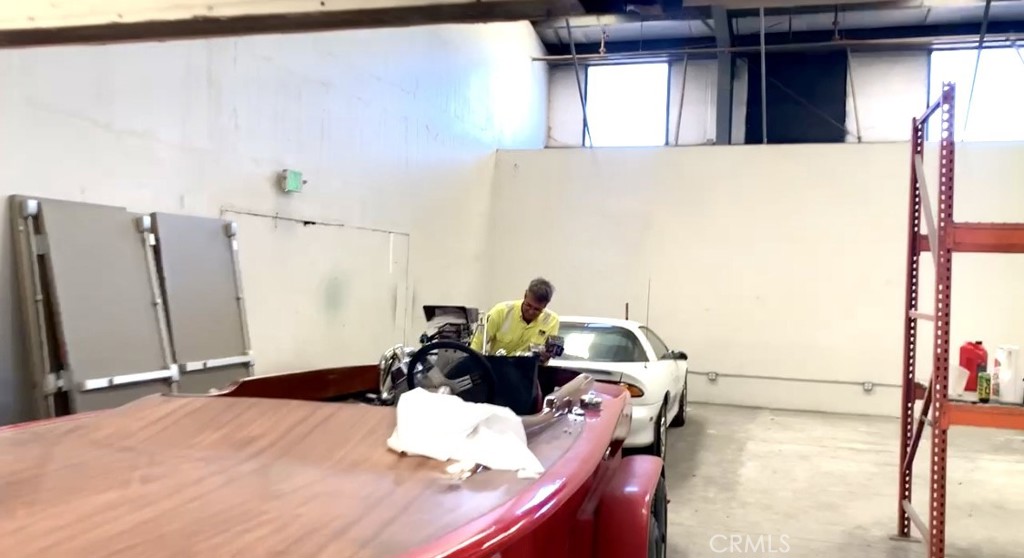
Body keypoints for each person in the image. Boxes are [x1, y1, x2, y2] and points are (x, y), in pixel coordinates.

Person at [470, 277, 560, 364]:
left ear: (545, 305)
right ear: (525, 295)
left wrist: (546, 356)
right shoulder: (500, 312)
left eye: (537, 309)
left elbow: (548, 354)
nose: (531, 311)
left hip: (529, 371)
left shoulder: (551, 321)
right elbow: (477, 343)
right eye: (528, 305)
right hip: (497, 369)